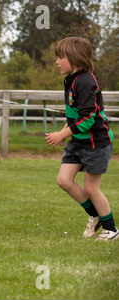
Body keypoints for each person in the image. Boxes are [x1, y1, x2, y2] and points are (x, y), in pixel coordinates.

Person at [45, 37, 117, 241]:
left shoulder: (85, 82)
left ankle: (111, 229)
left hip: (96, 142)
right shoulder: (70, 79)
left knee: (91, 188)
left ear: (75, 59)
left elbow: (87, 118)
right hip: (78, 140)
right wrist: (64, 131)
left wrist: (62, 135)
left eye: (61, 57)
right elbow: (76, 115)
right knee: (64, 180)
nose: (57, 62)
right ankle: (95, 215)